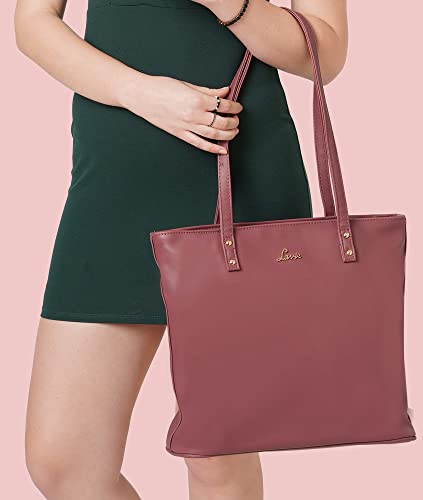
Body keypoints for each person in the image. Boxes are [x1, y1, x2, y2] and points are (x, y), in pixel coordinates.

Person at [15, 0, 348, 498]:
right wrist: (139, 93)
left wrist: (226, 3)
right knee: (62, 461)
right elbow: (33, 23)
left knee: (216, 451)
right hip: (112, 182)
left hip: (238, 177)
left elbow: (326, 50)